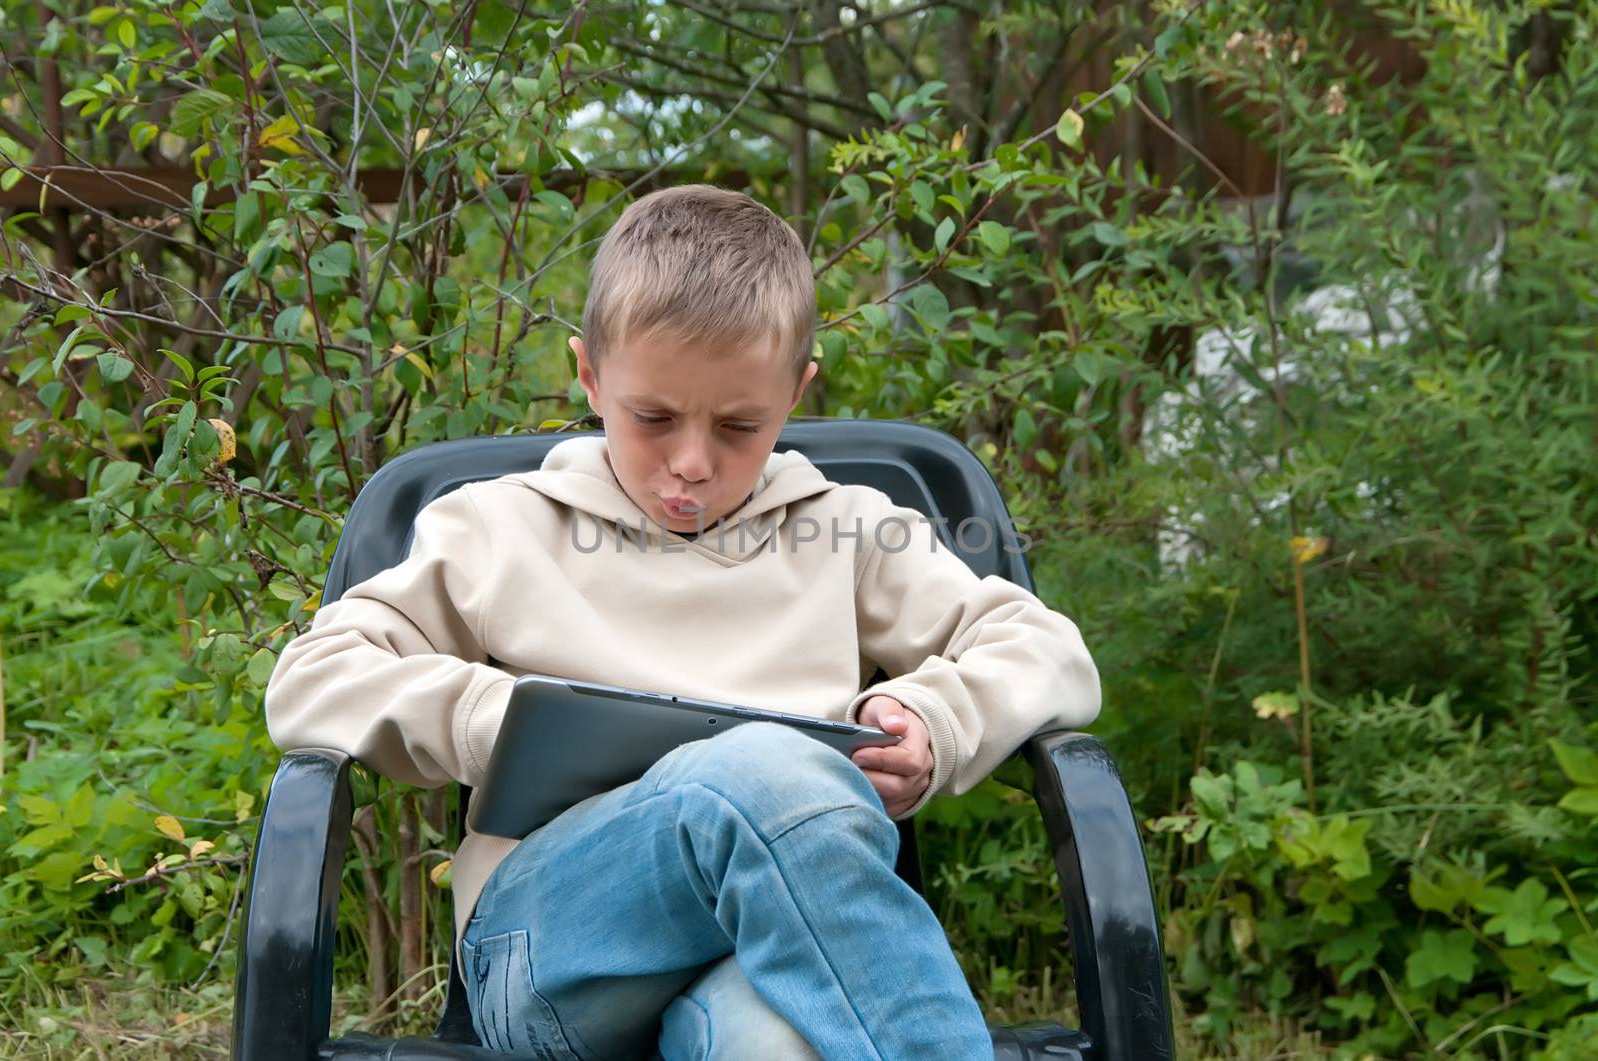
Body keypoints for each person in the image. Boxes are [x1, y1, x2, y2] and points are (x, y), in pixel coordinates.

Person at [265, 184, 1102, 1060]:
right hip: (548, 954)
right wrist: (495, 720)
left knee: (781, 1041)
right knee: (756, 772)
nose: (692, 464)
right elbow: (312, 678)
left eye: (741, 425)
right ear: (589, 375)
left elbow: (1047, 649)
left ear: (796, 393)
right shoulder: (497, 527)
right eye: (653, 417)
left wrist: (938, 721)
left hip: (765, 947)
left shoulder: (850, 530)